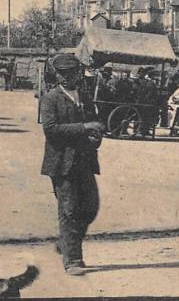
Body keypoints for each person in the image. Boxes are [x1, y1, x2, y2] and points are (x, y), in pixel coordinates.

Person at [39, 53, 104, 276]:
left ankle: (67, 242)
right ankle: (73, 260)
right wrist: (85, 127)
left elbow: (96, 123)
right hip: (61, 162)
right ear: (57, 75)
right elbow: (51, 129)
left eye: (71, 73)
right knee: (69, 210)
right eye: (62, 74)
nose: (67, 78)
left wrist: (96, 137)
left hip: (84, 161)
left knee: (90, 206)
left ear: (78, 73)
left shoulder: (84, 95)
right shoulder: (50, 98)